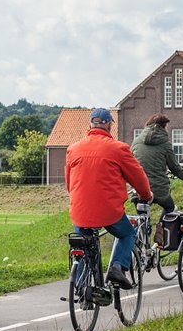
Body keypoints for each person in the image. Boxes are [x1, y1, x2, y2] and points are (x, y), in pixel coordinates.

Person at [65, 108, 153, 292]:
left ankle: (81, 289)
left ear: (90, 124)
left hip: (80, 210)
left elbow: (69, 184)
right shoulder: (118, 148)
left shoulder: (73, 149)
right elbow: (138, 177)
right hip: (108, 211)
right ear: (108, 125)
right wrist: (146, 195)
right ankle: (117, 267)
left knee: (83, 241)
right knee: (127, 233)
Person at [131, 113, 183, 214]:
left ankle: (140, 228)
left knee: (142, 216)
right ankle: (161, 228)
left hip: (139, 188)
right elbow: (174, 167)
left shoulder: (136, 141)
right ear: (164, 126)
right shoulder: (165, 143)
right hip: (159, 190)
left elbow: (130, 162)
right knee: (170, 208)